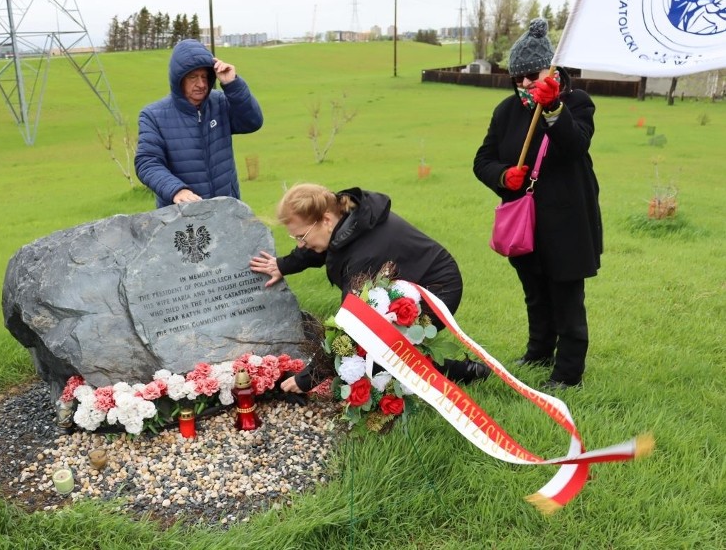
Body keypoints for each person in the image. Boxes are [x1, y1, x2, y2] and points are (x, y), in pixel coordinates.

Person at [250, 183, 490, 393]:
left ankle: (464, 372)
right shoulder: (346, 216)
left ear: (325, 219)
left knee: (378, 356)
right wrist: (282, 265)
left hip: (436, 289)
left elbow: (352, 327)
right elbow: (325, 248)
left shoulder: (364, 254)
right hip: (413, 278)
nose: (301, 244)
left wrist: (306, 378)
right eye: (296, 239)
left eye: (302, 236)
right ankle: (467, 371)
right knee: (379, 353)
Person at [473, 18, 602, 391]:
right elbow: (482, 160)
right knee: (535, 292)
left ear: (552, 68)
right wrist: (502, 176)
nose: (526, 84)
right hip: (524, 221)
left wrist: (553, 109)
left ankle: (568, 373)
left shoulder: (577, 103)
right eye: (518, 78)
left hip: (567, 222)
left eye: (532, 74)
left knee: (567, 298)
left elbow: (576, 145)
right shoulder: (505, 111)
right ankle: (538, 352)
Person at [135, 39, 264, 208]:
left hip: (225, 210)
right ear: (178, 79)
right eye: (193, 77)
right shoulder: (153, 115)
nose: (201, 84)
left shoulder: (219, 102)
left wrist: (232, 84)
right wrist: (176, 190)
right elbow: (147, 162)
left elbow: (252, 122)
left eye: (205, 77)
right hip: (181, 214)